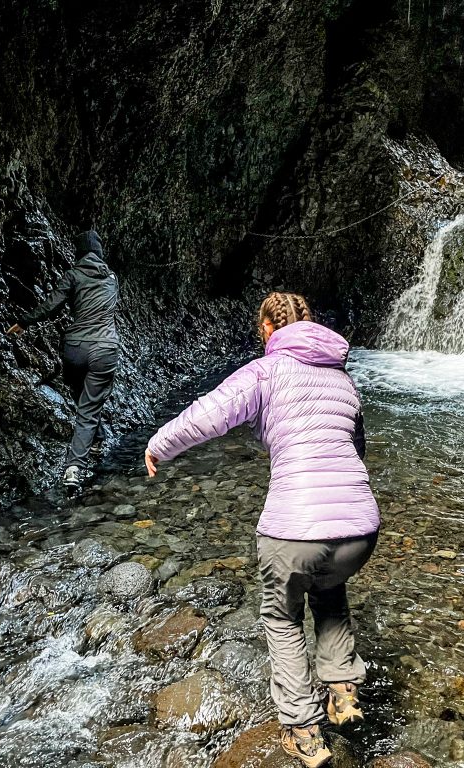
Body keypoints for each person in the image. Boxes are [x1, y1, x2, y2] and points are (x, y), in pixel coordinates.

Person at [144, 292, 379, 767]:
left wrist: (158, 445)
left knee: (282, 617)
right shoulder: (344, 381)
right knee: (329, 591)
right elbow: (357, 447)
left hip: (294, 527)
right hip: (360, 530)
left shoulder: (266, 371)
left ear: (269, 330)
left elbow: (210, 414)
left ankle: (305, 732)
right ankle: (343, 690)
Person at [7, 230, 120, 490]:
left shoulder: (72, 275)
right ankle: (74, 468)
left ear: (78, 253)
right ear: (101, 254)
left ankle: (96, 440)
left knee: (82, 396)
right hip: (104, 348)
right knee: (89, 408)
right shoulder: (112, 279)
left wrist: (24, 322)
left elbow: (52, 305)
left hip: (75, 349)